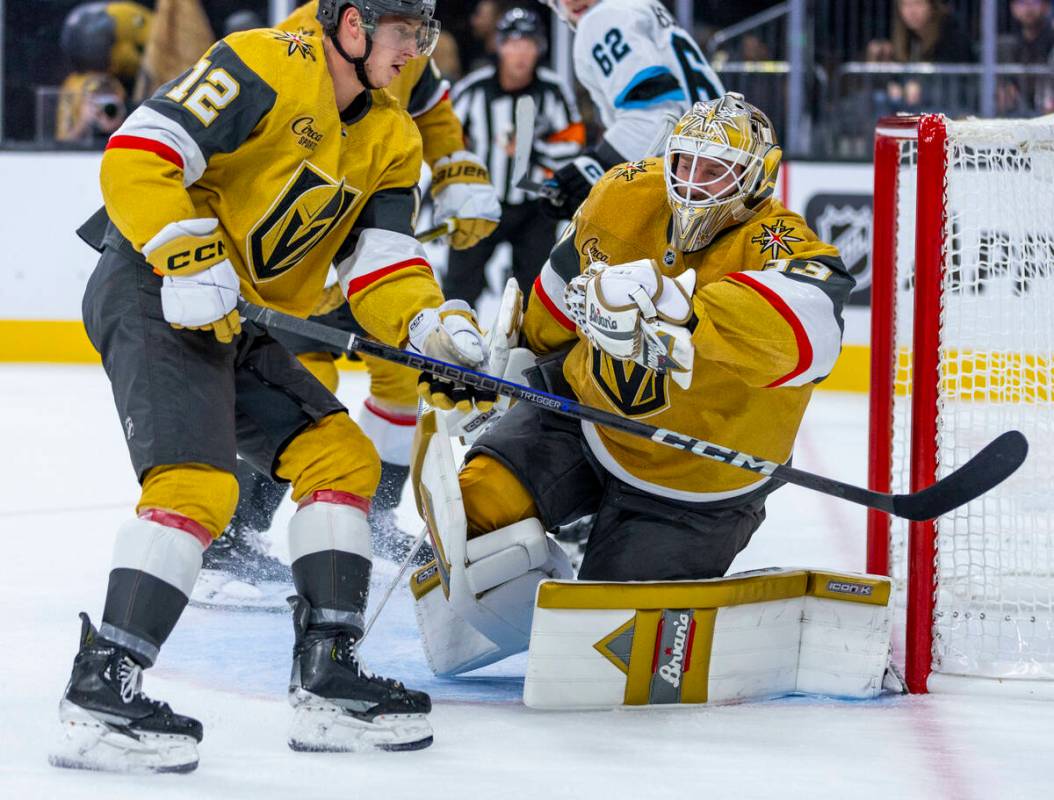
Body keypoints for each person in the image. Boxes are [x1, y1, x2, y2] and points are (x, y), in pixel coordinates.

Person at [51, 0, 494, 771]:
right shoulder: (263, 62)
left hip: (233, 319)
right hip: (150, 285)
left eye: (426, 34)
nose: (420, 49)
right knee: (196, 486)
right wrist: (182, 252)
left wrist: (429, 333)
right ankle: (101, 691)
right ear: (352, 28)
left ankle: (326, 679)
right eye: (406, 33)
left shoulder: (392, 136)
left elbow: (383, 267)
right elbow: (139, 150)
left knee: (342, 461)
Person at [411, 93, 855, 674]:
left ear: (757, 179)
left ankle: (601, 565)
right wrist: (508, 366)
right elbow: (558, 290)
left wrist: (682, 305)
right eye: (685, 164)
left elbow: (814, 330)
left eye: (716, 170)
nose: (693, 185)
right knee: (474, 505)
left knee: (601, 641)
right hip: (584, 414)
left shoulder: (782, 244)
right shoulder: (628, 191)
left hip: (699, 479)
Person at [192, 0, 502, 610]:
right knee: (299, 388)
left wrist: (455, 172)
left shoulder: (406, 41)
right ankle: (229, 535)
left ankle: (375, 517)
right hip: (302, 257)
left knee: (398, 379)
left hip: (364, 253)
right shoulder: (306, 37)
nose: (414, 45)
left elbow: (431, 108)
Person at [444, 6, 584, 308]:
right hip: (480, 202)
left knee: (535, 292)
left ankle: (526, 353)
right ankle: (451, 343)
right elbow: (446, 143)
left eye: (528, 44)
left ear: (539, 48)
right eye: (513, 43)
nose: (520, 53)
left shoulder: (553, 91)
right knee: (459, 286)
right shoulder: (473, 91)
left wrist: (532, 151)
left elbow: (573, 147)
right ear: (499, 45)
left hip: (534, 206)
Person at [537, 0, 725, 218]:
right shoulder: (642, 6)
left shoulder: (602, 19)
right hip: (723, 170)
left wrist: (593, 168)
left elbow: (656, 118)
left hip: (693, 185)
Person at [998, 0, 1054, 114]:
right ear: (1012, 8)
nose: (1029, 8)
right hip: (1018, 113)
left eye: (1035, 1)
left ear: (1046, 6)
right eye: (1022, 2)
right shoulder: (1005, 46)